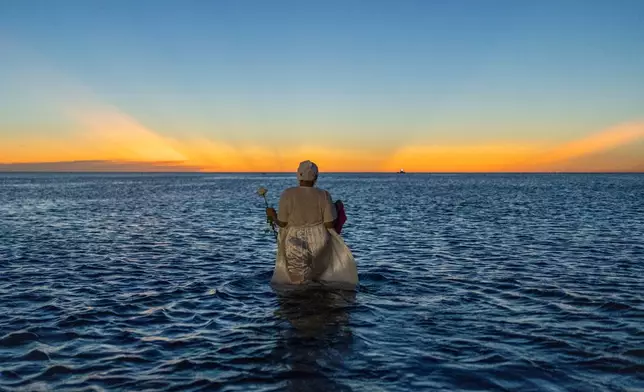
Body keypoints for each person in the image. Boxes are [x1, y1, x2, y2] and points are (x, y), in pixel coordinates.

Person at [266, 160, 358, 286]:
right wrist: (336, 208)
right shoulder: (324, 195)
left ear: (299, 175)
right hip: (320, 240)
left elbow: (282, 223)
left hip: (294, 239)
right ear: (316, 177)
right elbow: (329, 224)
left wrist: (273, 216)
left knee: (297, 282)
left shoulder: (288, 194)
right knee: (316, 278)